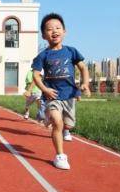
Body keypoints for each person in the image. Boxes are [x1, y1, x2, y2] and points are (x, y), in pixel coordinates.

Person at [32, 13, 90, 170]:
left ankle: (64, 127)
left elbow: (83, 67)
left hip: (69, 95)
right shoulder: (42, 56)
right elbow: (36, 75)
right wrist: (45, 89)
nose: (54, 31)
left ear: (65, 32)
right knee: (57, 123)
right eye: (49, 29)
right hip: (53, 95)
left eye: (58, 28)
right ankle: (60, 156)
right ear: (44, 35)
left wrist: (85, 84)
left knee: (68, 124)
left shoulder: (71, 52)